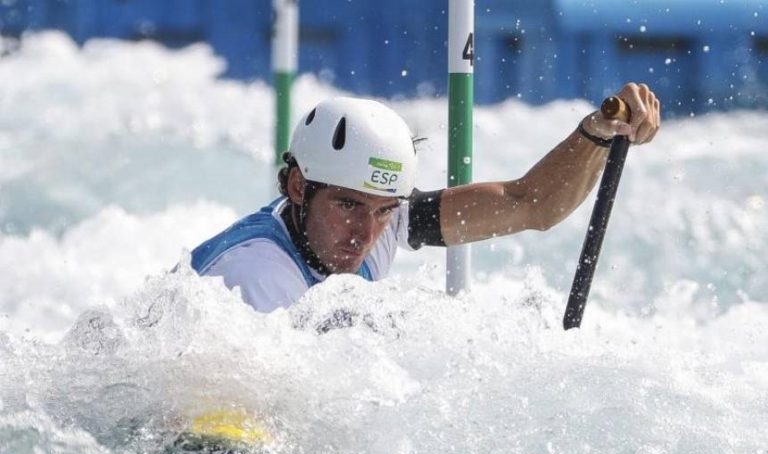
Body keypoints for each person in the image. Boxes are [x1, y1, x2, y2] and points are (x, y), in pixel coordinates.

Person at [191, 83, 660, 313]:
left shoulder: (382, 223)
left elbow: (530, 204)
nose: (365, 234)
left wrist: (599, 133)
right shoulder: (252, 280)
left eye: (383, 210)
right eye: (348, 206)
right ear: (298, 186)